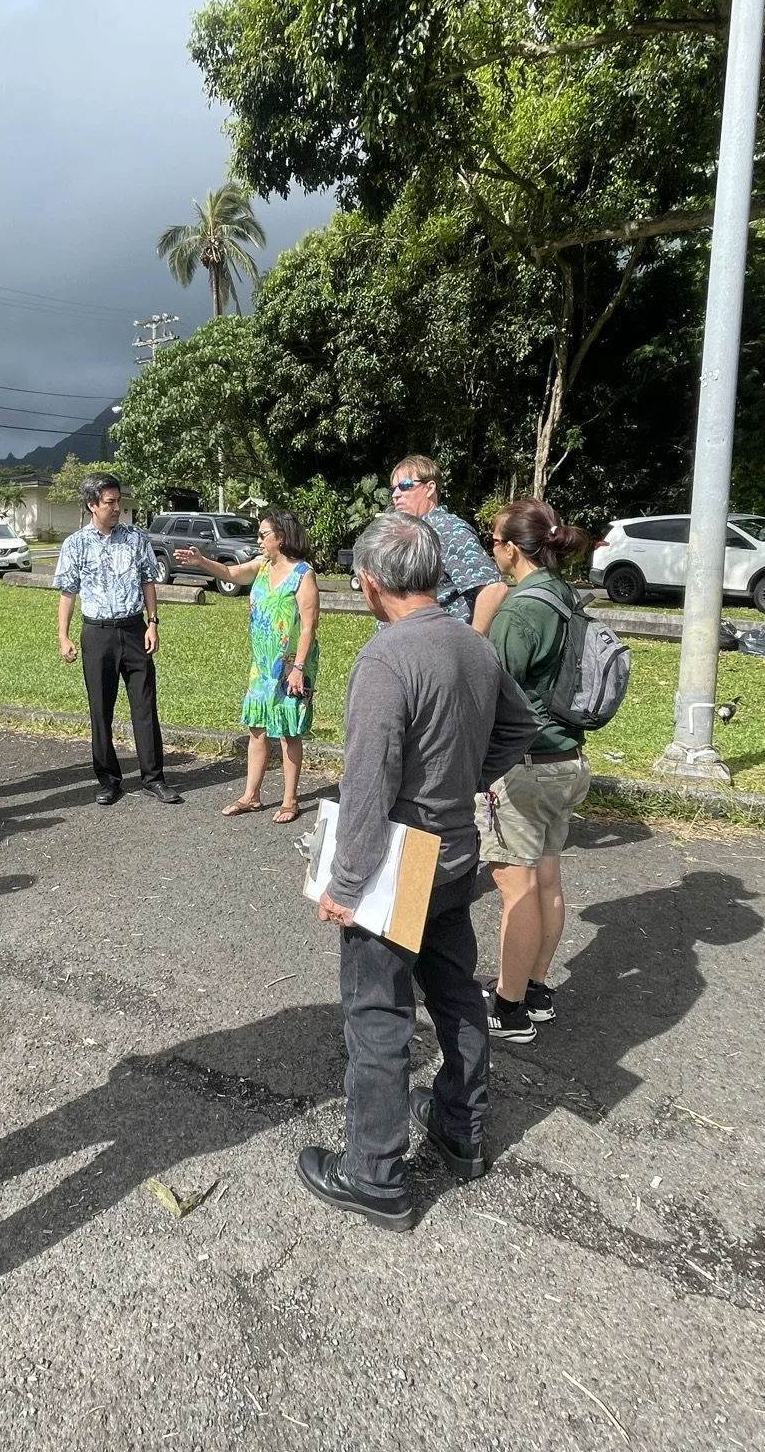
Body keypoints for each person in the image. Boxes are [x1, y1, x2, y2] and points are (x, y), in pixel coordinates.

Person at [298, 513, 541, 1231]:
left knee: (378, 1014)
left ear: (371, 584)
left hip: (398, 862)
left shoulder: (386, 658)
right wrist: (465, 777)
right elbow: (521, 727)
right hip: (456, 849)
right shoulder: (473, 643)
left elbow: (369, 782)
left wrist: (345, 884)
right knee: (455, 992)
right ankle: (461, 1129)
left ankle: (373, 1173)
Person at [478, 499, 595, 1042]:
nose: (490, 548)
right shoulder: (565, 596)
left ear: (511, 548)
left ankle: (509, 1007)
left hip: (523, 766)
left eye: (494, 540)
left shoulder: (521, 608)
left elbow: (487, 687)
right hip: (566, 757)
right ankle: (538, 987)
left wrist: (483, 622)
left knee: (517, 889)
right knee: (547, 877)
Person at [175, 509, 321, 823]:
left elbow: (308, 627)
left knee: (287, 731)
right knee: (257, 728)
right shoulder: (261, 566)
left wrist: (297, 668)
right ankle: (251, 796)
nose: (258, 540)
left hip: (289, 666)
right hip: (262, 665)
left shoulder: (303, 574)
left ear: (281, 537)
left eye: (263, 534)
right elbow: (230, 574)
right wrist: (202, 562)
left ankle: (290, 800)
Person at [53, 471, 181, 806]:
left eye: (118, 500)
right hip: (97, 633)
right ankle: (108, 780)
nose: (116, 507)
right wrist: (63, 635)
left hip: (133, 629)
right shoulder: (75, 544)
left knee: (144, 706)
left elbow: (148, 582)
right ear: (92, 505)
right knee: (100, 709)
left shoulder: (136, 537)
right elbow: (68, 592)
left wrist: (153, 623)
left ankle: (154, 778)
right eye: (109, 502)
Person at [387, 453, 509, 631]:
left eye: (405, 486)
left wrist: (473, 645)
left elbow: (494, 588)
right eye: (393, 489)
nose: (396, 495)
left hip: (438, 649)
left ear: (429, 488)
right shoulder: (413, 531)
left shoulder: (446, 529)